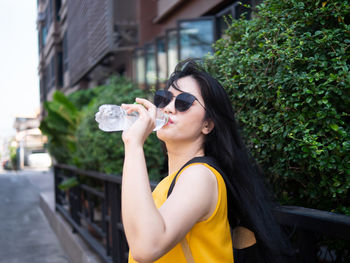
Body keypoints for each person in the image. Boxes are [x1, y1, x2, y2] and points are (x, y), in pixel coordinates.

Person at [121, 59, 292, 263]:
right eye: (164, 98)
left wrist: (133, 144)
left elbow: (146, 247)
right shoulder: (174, 181)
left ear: (207, 125)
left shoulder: (200, 175)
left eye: (184, 102)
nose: (168, 108)